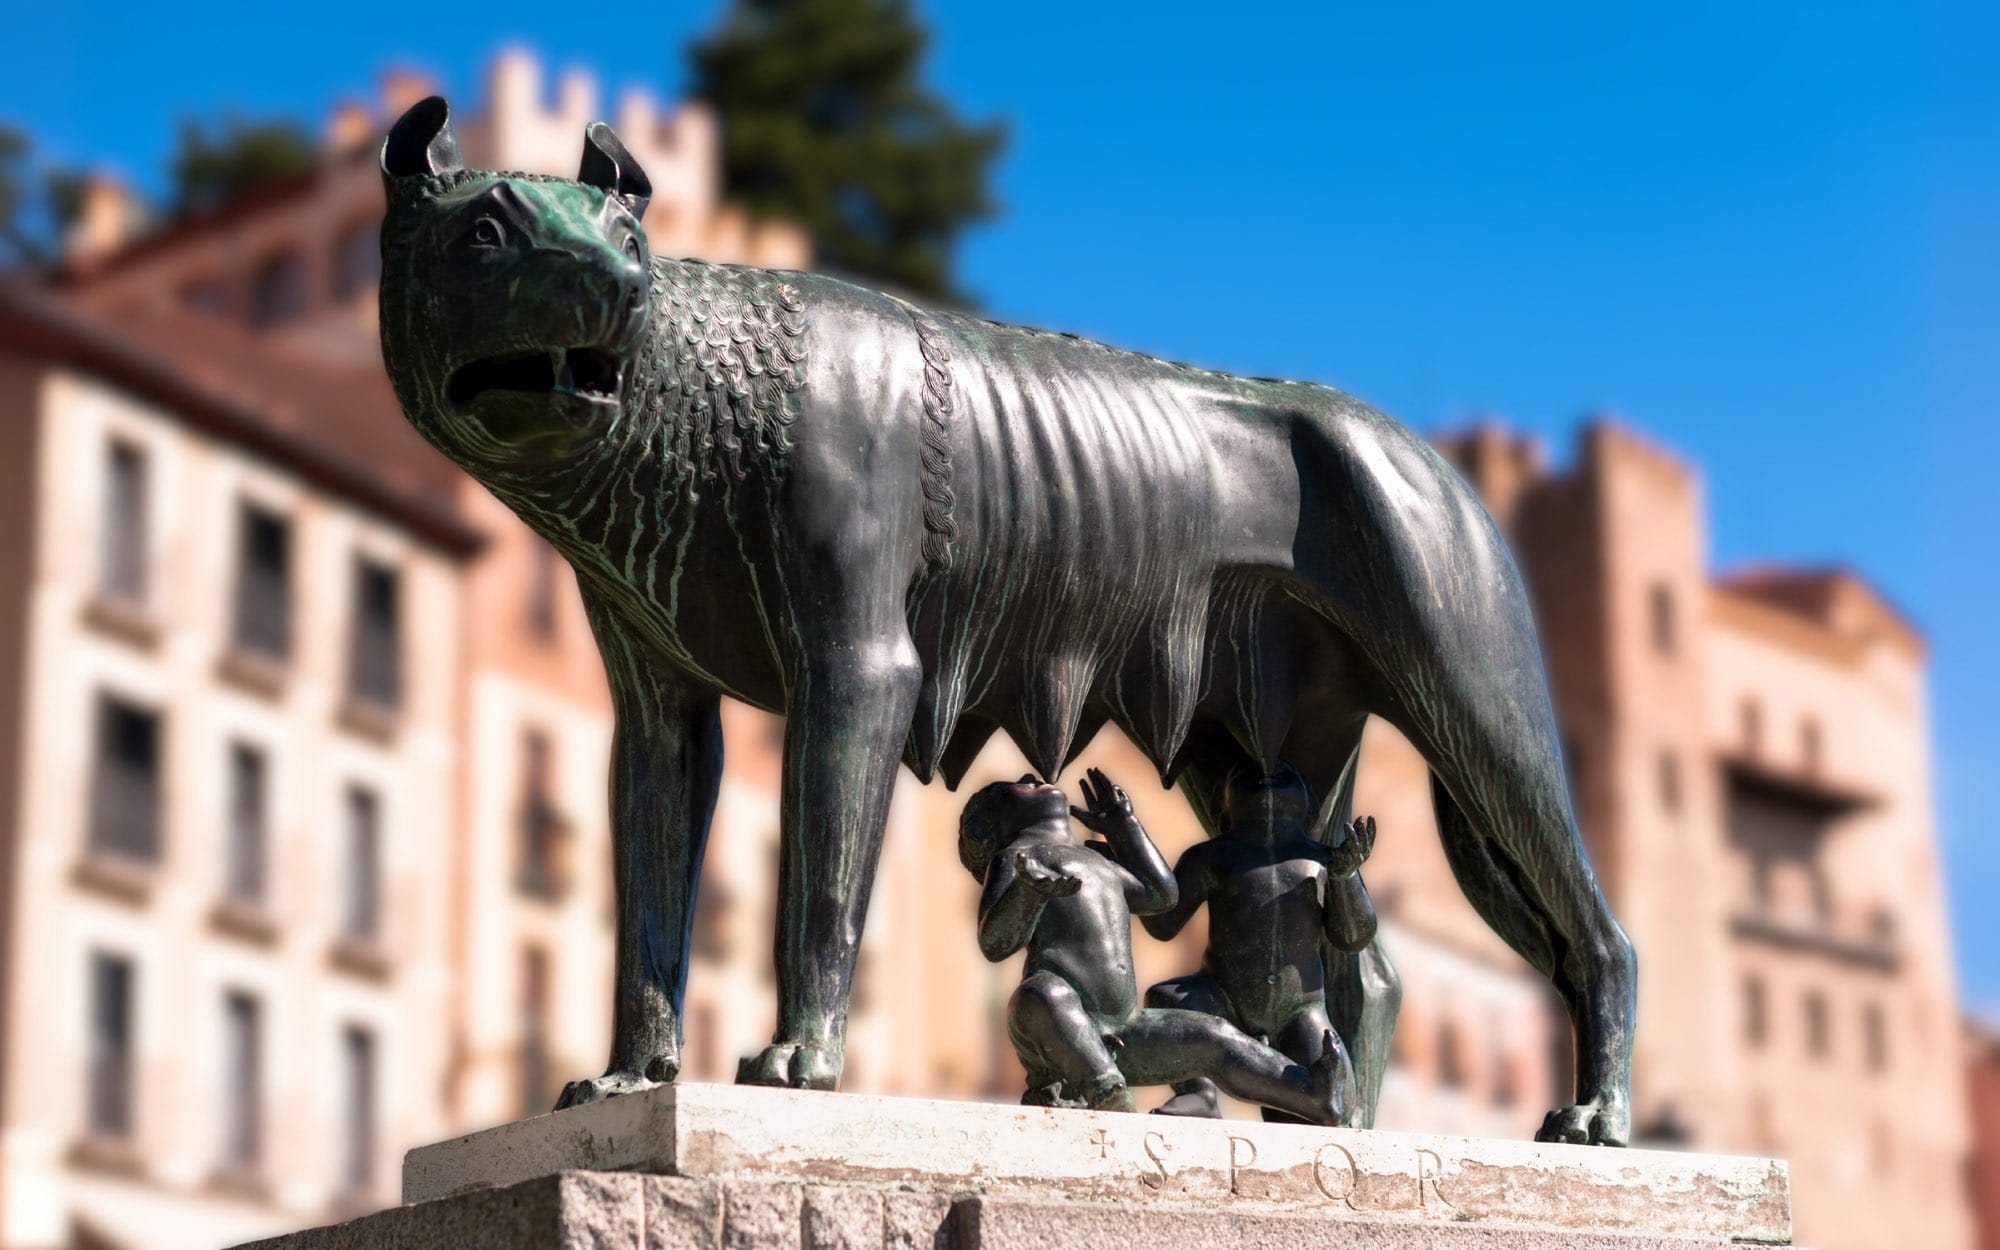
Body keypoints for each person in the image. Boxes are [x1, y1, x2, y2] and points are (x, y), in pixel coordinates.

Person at [963, 769, 1351, 1123]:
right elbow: (995, 943)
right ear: (996, 824)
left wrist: (1124, 827)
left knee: (1214, 1035)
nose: (1032, 776)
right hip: (1055, 1031)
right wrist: (1028, 892)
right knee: (1042, 992)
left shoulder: (1097, 860)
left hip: (1125, 1032)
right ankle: (1102, 1085)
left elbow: (1162, 895)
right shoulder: (1016, 859)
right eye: (1017, 787)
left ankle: (1312, 1094)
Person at [1142, 763, 1379, 1123]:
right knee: (1168, 999)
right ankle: (1198, 1094)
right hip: (1221, 997)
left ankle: (1300, 1104)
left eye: (1287, 772)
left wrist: (1345, 878)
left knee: (1332, 1101)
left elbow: (1353, 937)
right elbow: (1162, 923)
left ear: (1309, 807)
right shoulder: (1212, 856)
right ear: (1223, 809)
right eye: (1245, 773)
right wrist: (1130, 845)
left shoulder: (1324, 860)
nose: (1266, 772)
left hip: (1299, 1012)